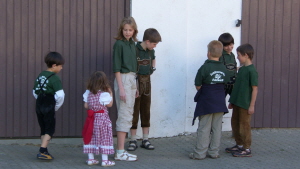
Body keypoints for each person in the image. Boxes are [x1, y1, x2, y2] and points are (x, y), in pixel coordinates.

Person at [189, 40, 229, 160]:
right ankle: (214, 152)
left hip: (206, 102)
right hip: (220, 102)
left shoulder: (204, 67)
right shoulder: (224, 68)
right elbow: (226, 83)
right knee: (217, 128)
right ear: (221, 54)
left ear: (208, 53)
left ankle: (200, 153)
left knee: (204, 127)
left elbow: (198, 85)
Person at [127, 28, 162, 151]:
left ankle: (145, 139)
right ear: (147, 41)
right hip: (135, 82)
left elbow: (153, 59)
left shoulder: (150, 51)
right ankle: (133, 139)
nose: (155, 46)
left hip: (147, 82)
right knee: (134, 110)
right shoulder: (135, 49)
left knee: (146, 109)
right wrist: (134, 83)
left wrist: (153, 69)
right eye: (154, 44)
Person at [112, 16, 138, 161]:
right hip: (123, 79)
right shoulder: (119, 45)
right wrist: (121, 88)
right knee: (124, 114)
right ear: (121, 30)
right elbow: (116, 68)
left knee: (128, 114)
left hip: (131, 79)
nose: (127, 32)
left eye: (130, 30)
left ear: (134, 30)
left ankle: (121, 150)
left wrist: (136, 86)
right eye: (125, 30)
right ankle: (120, 151)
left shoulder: (132, 45)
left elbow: (134, 67)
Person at [225, 44, 258, 157]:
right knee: (235, 124)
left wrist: (252, 105)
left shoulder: (251, 71)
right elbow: (237, 87)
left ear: (246, 55)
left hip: (245, 104)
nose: (237, 57)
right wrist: (232, 101)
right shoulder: (242, 69)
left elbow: (254, 89)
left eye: (239, 55)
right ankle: (239, 145)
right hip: (237, 103)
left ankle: (246, 148)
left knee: (244, 126)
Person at [32, 52, 65, 160]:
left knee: (43, 128)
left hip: (39, 103)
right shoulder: (55, 78)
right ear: (54, 65)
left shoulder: (40, 75)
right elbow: (60, 95)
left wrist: (40, 100)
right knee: (50, 129)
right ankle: (42, 151)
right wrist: (54, 107)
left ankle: (44, 149)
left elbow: (34, 91)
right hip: (49, 103)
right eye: (60, 66)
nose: (61, 68)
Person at [82, 71, 115, 167]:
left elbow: (86, 105)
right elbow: (109, 104)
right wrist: (111, 93)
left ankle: (90, 159)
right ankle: (105, 160)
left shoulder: (88, 93)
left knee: (91, 137)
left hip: (92, 118)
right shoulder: (104, 94)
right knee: (104, 137)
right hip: (102, 119)